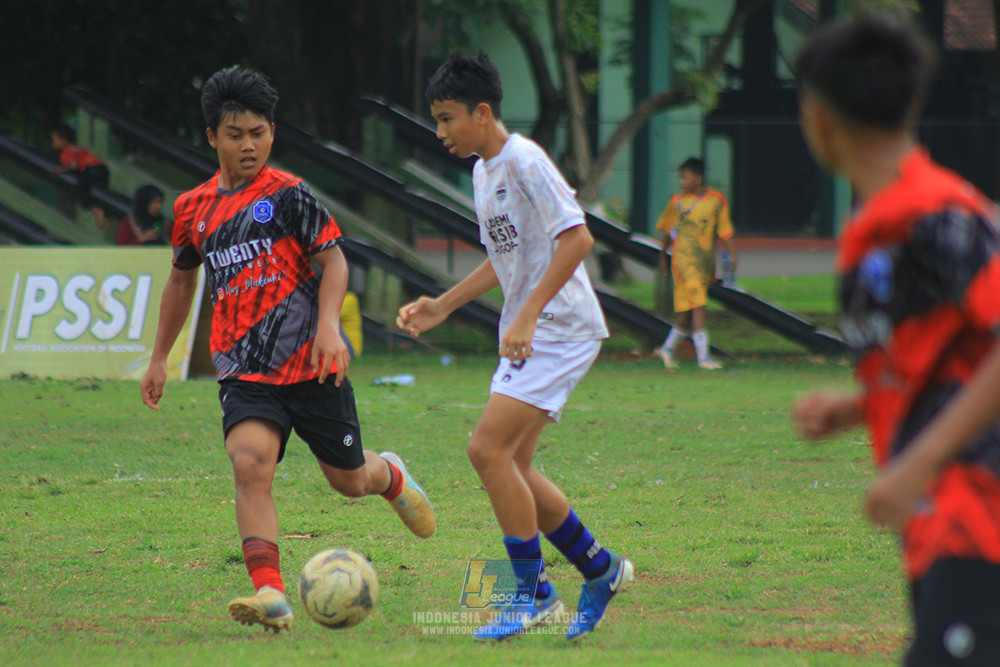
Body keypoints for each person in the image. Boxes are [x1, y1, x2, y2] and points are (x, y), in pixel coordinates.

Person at [139, 65, 435, 634]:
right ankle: (270, 592)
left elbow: (335, 261)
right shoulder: (192, 210)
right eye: (235, 135)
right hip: (244, 369)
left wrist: (329, 325)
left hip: (312, 365)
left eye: (258, 132)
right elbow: (181, 281)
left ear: (272, 131)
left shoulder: (290, 195)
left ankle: (390, 475)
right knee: (250, 464)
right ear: (212, 138)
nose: (248, 145)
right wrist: (159, 357)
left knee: (349, 482)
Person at [397, 51, 633, 642]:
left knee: (486, 450)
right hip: (533, 330)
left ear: (482, 113)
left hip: (560, 328)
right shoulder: (482, 172)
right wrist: (444, 305)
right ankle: (598, 569)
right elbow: (507, 259)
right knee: (513, 465)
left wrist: (526, 314)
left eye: (448, 118)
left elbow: (577, 240)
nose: (440, 131)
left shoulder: (524, 160)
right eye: (437, 119)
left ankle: (533, 594)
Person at [792, 14, 1000, 664]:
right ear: (912, 104)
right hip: (935, 523)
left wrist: (918, 461)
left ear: (817, 118)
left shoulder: (938, 215)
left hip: (977, 510)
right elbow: (949, 358)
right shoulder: (874, 227)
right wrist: (856, 407)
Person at [654, 157, 736, 370]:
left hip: (705, 263)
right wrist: (663, 255)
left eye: (686, 177)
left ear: (698, 178)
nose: (682, 181)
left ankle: (667, 349)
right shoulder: (677, 203)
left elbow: (724, 229)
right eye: (680, 177)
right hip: (683, 261)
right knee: (699, 306)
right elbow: (668, 232)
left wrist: (732, 255)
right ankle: (704, 358)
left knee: (688, 312)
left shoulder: (716, 200)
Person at [50, 124, 110, 232]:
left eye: (54, 140)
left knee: (78, 189)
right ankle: (107, 215)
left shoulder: (65, 153)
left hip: (91, 169)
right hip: (102, 169)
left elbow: (74, 165)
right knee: (102, 193)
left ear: (63, 140)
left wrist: (62, 169)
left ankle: (96, 209)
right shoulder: (79, 147)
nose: (53, 143)